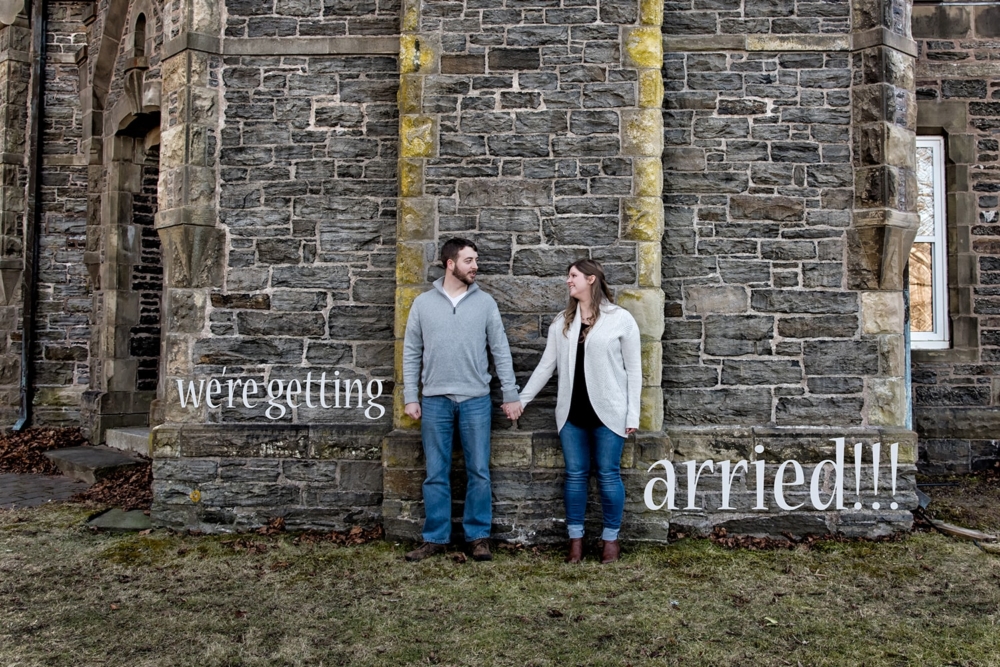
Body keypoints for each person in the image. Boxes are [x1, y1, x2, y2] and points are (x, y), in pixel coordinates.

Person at [401, 238, 522, 562]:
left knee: (478, 471)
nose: (475, 266)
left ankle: (478, 537)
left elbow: (500, 352)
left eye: (476, 260)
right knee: (435, 472)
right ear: (450, 263)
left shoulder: (485, 304)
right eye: (469, 260)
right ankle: (436, 538)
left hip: (476, 400)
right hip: (435, 400)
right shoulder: (423, 304)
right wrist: (410, 396)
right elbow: (411, 352)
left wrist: (510, 393)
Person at [517, 259, 642, 564]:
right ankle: (576, 542)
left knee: (608, 475)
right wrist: (522, 400)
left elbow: (635, 370)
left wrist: (632, 414)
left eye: (573, 276)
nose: (568, 281)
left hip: (609, 413)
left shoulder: (620, 319)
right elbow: (546, 366)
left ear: (591, 279)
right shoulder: (563, 322)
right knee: (574, 476)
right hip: (571, 414)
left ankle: (610, 541)